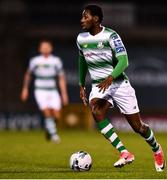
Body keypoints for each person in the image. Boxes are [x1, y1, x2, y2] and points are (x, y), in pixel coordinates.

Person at [76, 4, 165, 171]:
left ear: (95, 19)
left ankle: (156, 148)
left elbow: (124, 61)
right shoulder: (81, 39)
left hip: (118, 84)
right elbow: (82, 60)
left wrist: (110, 77)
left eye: (85, 17)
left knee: (138, 127)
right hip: (99, 86)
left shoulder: (111, 36)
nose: (82, 20)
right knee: (96, 110)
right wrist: (81, 83)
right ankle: (124, 152)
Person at [21, 39, 69, 143]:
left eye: (47, 46)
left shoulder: (56, 61)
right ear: (40, 49)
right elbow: (28, 74)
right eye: (43, 47)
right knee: (47, 112)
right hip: (40, 90)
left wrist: (64, 94)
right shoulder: (35, 61)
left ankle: (49, 129)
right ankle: (54, 135)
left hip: (52, 90)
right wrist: (25, 89)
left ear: (51, 48)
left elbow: (61, 78)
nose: (45, 48)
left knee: (57, 116)